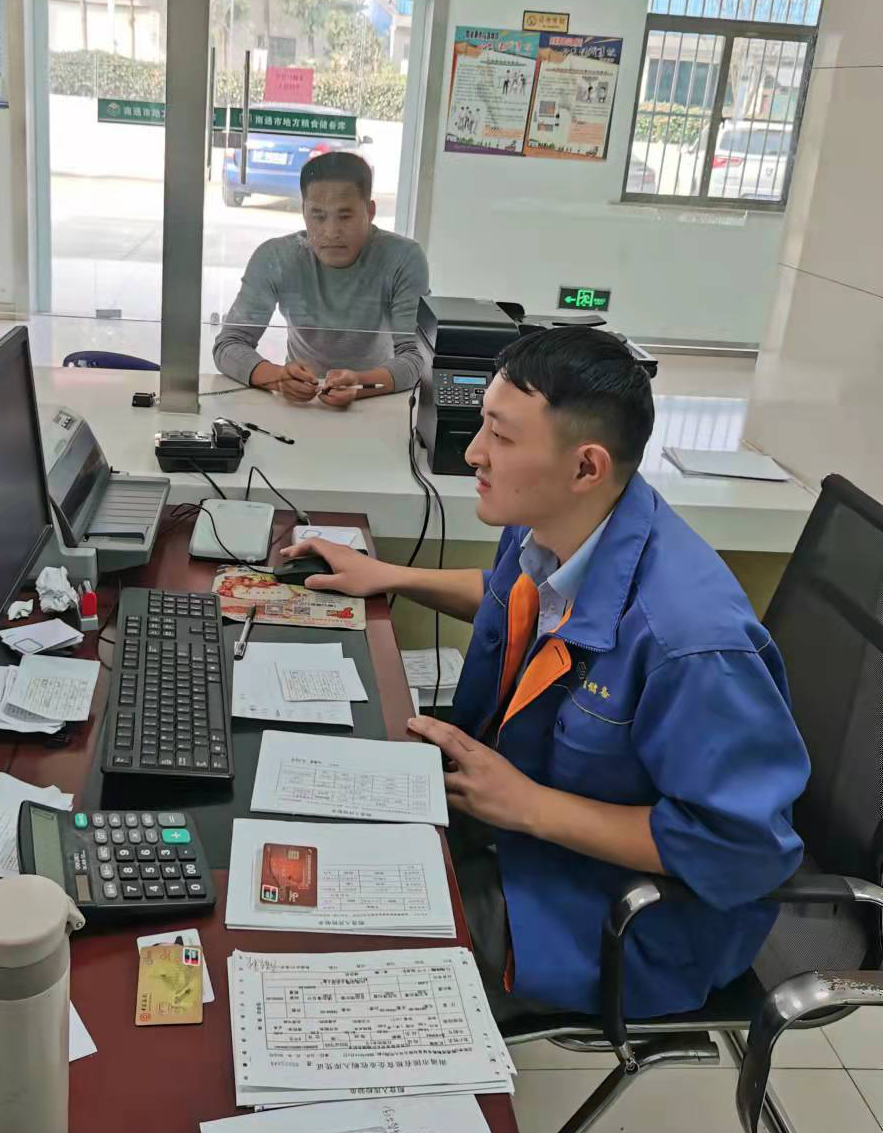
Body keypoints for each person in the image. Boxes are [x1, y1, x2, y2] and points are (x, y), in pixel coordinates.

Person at [283, 327, 810, 1018]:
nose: (474, 453)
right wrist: (389, 576)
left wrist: (527, 804)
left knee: (324, 947)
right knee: (303, 831)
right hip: (518, 831)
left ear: (586, 466)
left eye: (501, 437)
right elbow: (518, 599)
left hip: (614, 916)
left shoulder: (692, 643)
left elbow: (744, 849)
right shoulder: (560, 520)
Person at [212, 151, 429, 409]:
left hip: (377, 399)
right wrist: (277, 378)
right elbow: (228, 344)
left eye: (345, 216)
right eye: (318, 216)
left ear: (370, 211)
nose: (331, 232)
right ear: (303, 211)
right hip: (301, 404)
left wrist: (361, 384)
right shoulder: (277, 257)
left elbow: (417, 356)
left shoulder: (403, 258)